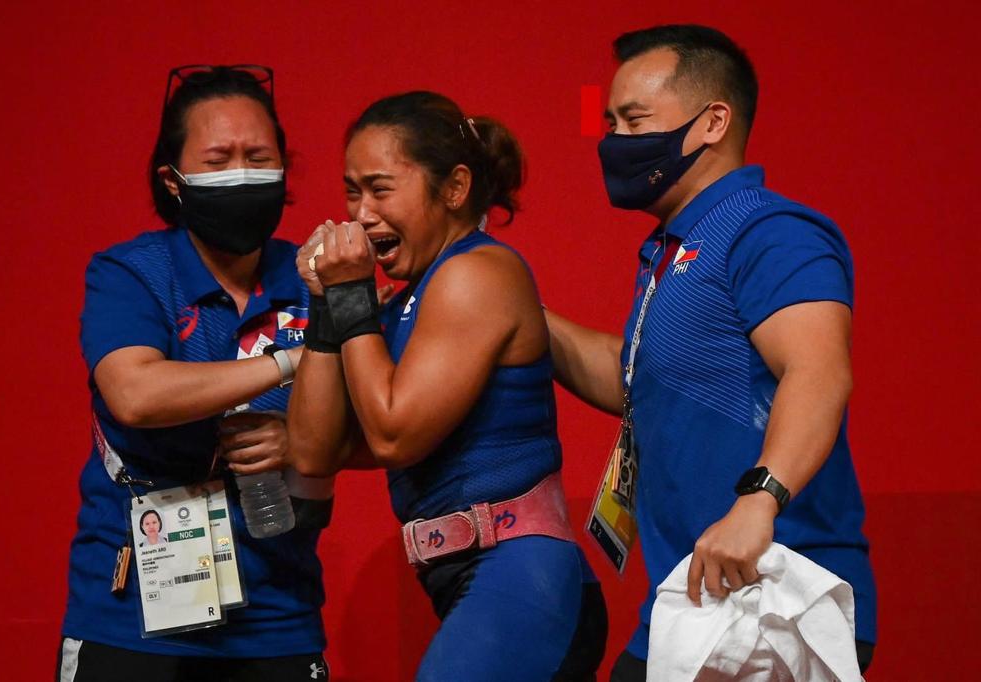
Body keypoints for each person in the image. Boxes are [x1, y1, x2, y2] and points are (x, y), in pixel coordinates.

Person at [543, 25, 878, 679]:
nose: (614, 140)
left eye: (634, 119)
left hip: (781, 600)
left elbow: (819, 369)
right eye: (610, 121)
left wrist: (759, 500)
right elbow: (636, 379)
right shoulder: (673, 252)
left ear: (712, 122)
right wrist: (513, 309)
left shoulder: (768, 230)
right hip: (692, 605)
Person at [287, 91, 607, 681]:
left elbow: (392, 435)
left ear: (455, 189)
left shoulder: (477, 273)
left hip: (522, 578)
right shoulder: (409, 299)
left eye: (381, 189)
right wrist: (328, 307)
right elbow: (312, 452)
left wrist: (353, 296)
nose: (360, 213)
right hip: (469, 580)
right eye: (352, 191)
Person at [57, 65, 331, 682]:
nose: (242, 172)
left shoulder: (315, 277)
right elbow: (135, 394)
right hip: (132, 617)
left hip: (278, 617)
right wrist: (288, 361)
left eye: (259, 156)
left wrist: (305, 442)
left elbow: (379, 420)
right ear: (173, 180)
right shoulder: (131, 274)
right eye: (218, 159)